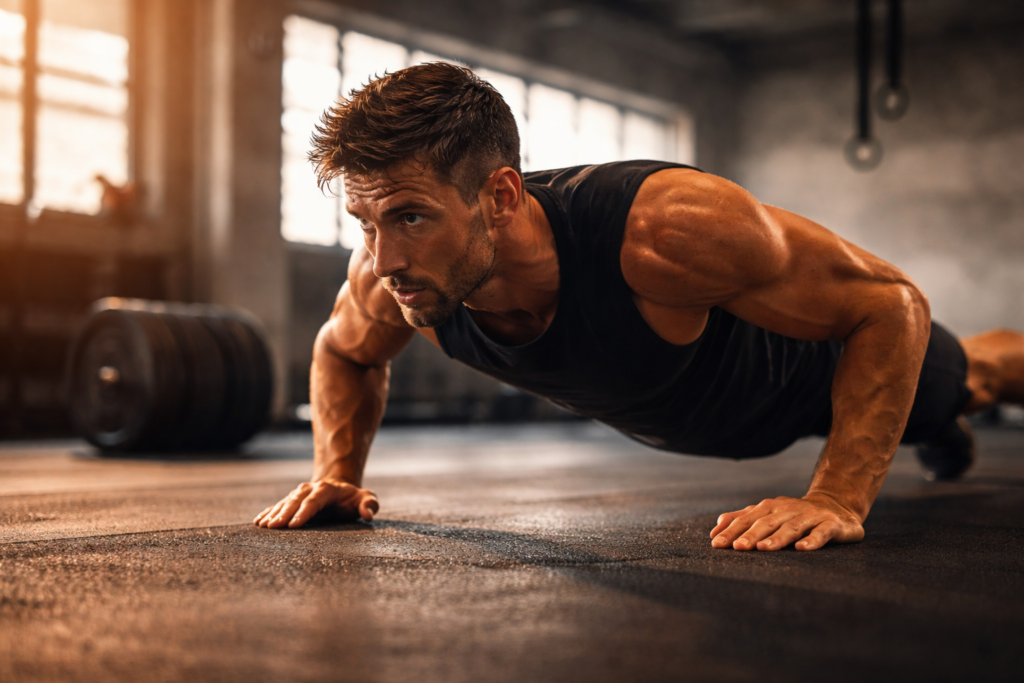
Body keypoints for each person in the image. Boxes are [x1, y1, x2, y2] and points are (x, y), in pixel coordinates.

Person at [254, 63, 1024, 552]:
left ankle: (951, 407)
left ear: (499, 197)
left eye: (411, 217)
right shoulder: (395, 273)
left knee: (976, 375)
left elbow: (891, 303)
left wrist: (835, 496)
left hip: (818, 374)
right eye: (366, 223)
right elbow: (345, 351)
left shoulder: (665, 228)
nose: (383, 258)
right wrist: (338, 473)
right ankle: (945, 427)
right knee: (948, 410)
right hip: (718, 424)